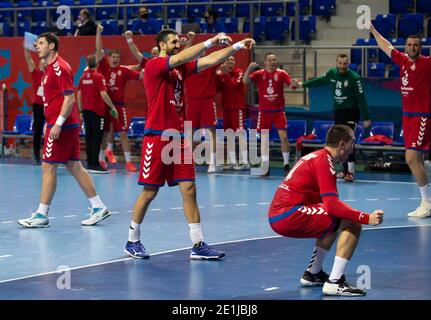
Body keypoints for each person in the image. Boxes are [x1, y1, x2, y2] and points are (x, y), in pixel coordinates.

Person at [124, 28, 255, 259]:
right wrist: (211, 40)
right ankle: (132, 240)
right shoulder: (155, 65)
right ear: (162, 45)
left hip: (180, 138)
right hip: (156, 136)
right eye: (174, 42)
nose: (177, 44)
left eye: (179, 42)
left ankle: (198, 244)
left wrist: (236, 47)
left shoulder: (179, 70)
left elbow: (211, 60)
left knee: (190, 189)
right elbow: (185, 56)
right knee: (149, 192)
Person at [268, 125, 384, 296]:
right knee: (352, 223)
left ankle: (313, 273)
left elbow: (330, 206)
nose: (354, 147)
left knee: (335, 218)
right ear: (342, 144)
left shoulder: (317, 156)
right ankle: (335, 282)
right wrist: (365, 218)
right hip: (288, 215)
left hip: (282, 214)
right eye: (352, 143)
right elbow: (332, 205)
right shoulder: (324, 162)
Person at [18, 33, 111, 228]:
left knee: (48, 167)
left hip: (63, 125)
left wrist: (58, 123)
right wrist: (48, 121)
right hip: (61, 123)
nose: (37, 46)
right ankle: (98, 207)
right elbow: (54, 99)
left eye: (41, 43)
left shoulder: (60, 68)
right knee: (74, 166)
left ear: (51, 46)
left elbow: (69, 99)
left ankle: (41, 215)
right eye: (36, 44)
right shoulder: (50, 68)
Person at [369, 22, 431, 218]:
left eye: (416, 45)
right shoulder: (402, 60)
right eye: (410, 44)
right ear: (406, 46)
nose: (413, 47)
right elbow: (385, 45)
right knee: (418, 159)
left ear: (421, 47)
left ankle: (427, 202)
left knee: (410, 158)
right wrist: (371, 29)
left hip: (422, 116)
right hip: (407, 117)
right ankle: (427, 201)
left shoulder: (428, 63)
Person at [298, 54, 371, 182]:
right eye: (340, 63)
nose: (342, 66)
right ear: (337, 63)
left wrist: (366, 117)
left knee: (349, 141)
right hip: (338, 112)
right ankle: (344, 170)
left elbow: (362, 99)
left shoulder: (355, 78)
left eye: (345, 64)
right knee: (339, 141)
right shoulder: (332, 73)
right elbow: (319, 81)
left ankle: (351, 171)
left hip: (351, 112)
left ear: (348, 64)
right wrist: (303, 84)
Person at [95, 24, 143, 172]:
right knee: (103, 134)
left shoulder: (124, 70)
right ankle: (101, 159)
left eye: (117, 57)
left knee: (123, 134)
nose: (115, 59)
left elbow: (141, 74)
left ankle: (128, 163)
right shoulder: (103, 67)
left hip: (119, 106)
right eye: (113, 57)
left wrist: (152, 69)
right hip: (104, 106)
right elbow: (98, 49)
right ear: (108, 58)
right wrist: (98, 32)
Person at [243, 53, 298, 176]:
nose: (272, 62)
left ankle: (286, 165)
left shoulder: (282, 73)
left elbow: (291, 84)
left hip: (278, 112)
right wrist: (249, 68)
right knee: (264, 140)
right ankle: (266, 166)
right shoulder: (259, 74)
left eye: (274, 60)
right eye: (270, 60)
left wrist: (294, 83)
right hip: (264, 113)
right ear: (265, 62)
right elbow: (245, 81)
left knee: (284, 137)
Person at [183, 31, 220, 173]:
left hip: (207, 101)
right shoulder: (188, 65)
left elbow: (221, 56)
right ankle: (189, 161)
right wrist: (190, 40)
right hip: (192, 102)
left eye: (203, 50)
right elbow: (184, 54)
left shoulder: (210, 63)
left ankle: (212, 161)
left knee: (211, 132)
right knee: (191, 132)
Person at [77, 54, 118, 173]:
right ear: (97, 63)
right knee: (97, 137)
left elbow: (79, 95)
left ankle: (90, 163)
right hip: (97, 112)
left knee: (89, 137)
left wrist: (80, 110)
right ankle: (95, 164)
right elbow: (104, 94)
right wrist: (112, 106)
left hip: (86, 111)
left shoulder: (82, 77)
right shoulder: (99, 76)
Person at [216, 55, 249, 169]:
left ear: (235, 63)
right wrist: (218, 75)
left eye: (232, 60)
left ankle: (245, 161)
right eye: (228, 60)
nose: (230, 62)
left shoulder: (240, 72)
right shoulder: (222, 75)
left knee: (240, 135)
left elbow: (233, 86)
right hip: (227, 109)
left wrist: (224, 74)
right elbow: (217, 89)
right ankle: (232, 161)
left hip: (237, 108)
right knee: (229, 135)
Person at [23, 41, 47, 164]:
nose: (43, 64)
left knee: (50, 130)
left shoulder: (52, 74)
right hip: (38, 105)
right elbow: (28, 60)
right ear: (39, 64)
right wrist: (27, 47)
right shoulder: (36, 74)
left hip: (49, 105)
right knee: (37, 130)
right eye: (41, 62)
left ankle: (50, 155)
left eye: (45, 62)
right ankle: (36, 154)